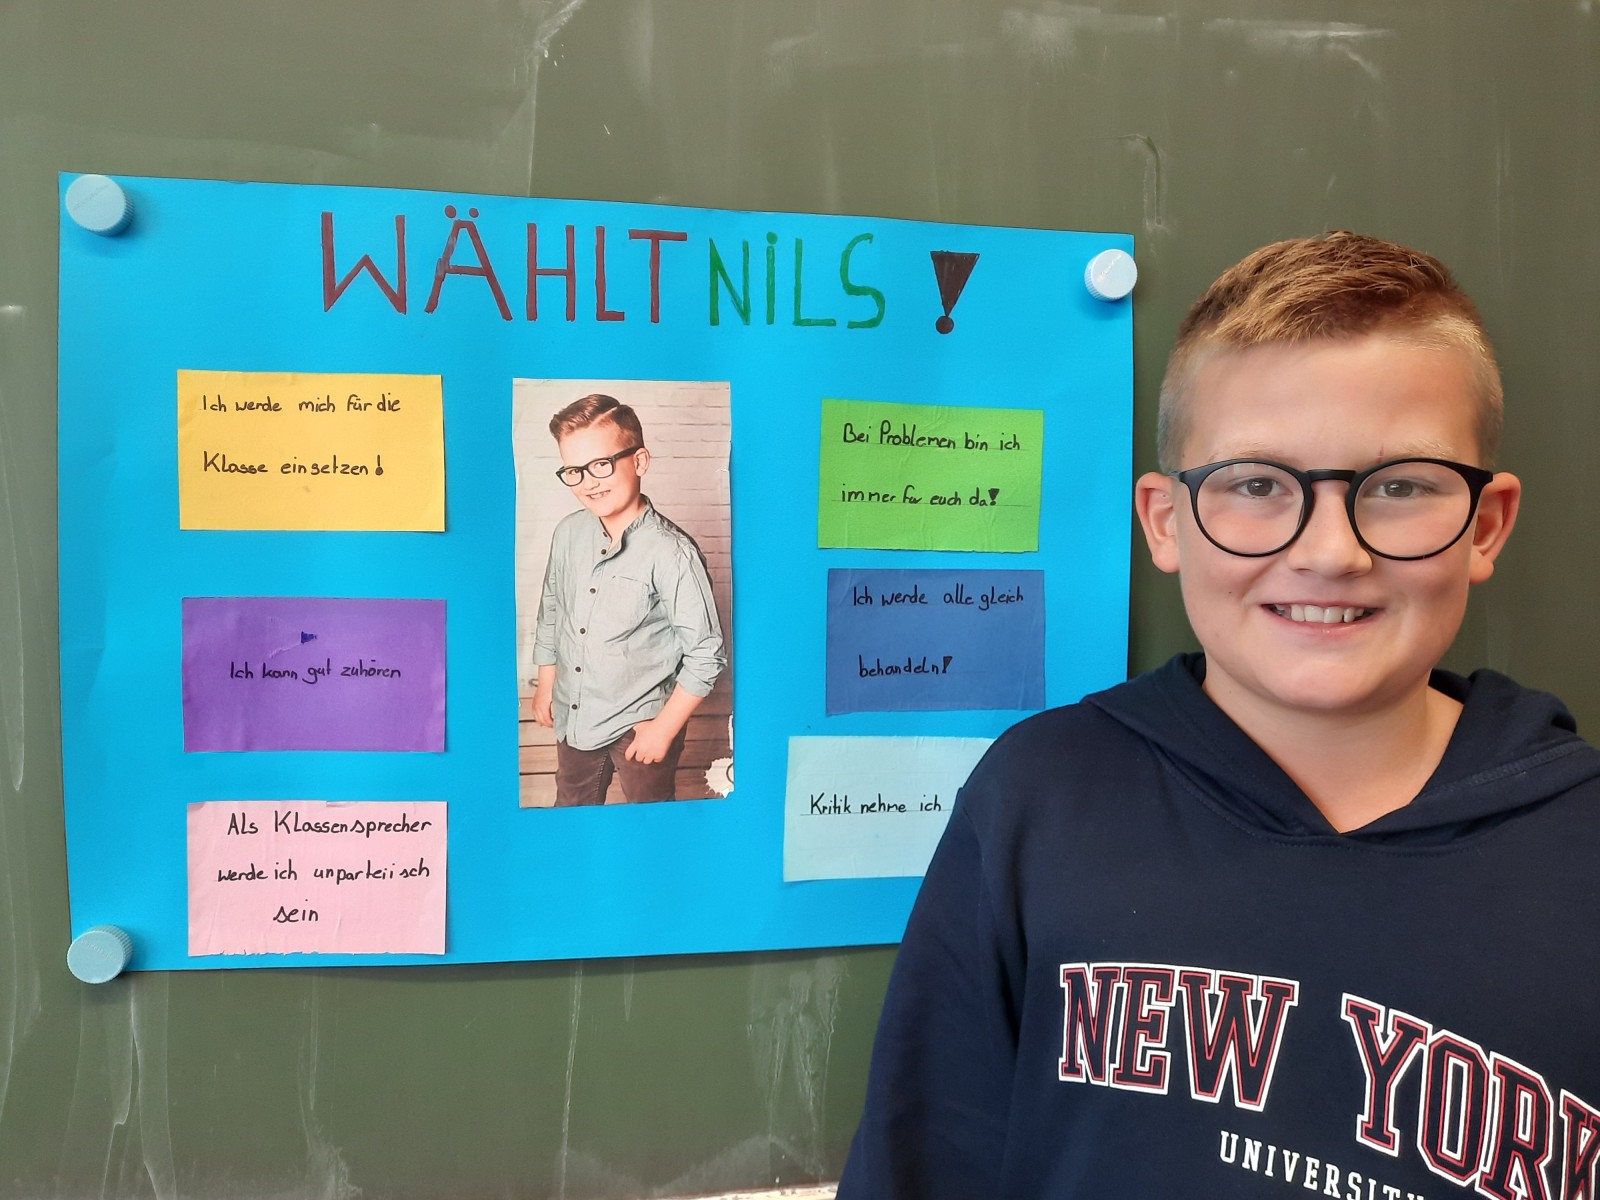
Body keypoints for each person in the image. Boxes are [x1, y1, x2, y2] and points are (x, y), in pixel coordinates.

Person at [838, 233, 1600, 1199]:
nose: (1331, 553)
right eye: (1256, 485)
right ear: (1165, 521)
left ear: (1485, 525)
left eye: (1402, 485)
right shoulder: (1039, 801)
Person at [530, 393, 725, 805]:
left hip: (644, 722)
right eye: (574, 471)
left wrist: (664, 730)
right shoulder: (567, 534)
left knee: (649, 817)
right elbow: (552, 609)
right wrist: (547, 681)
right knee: (571, 810)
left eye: (601, 464)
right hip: (577, 714)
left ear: (639, 461)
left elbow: (706, 654)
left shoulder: (672, 553)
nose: (589, 482)